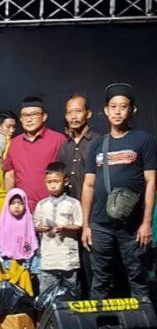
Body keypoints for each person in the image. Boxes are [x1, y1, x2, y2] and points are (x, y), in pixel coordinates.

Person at [81, 83, 156, 299]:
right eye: (113, 107)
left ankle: (142, 320)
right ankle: (100, 320)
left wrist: (146, 223)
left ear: (132, 110)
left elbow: (151, 182)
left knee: (137, 278)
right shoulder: (97, 145)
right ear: (106, 111)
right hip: (100, 224)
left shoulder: (143, 140)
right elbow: (88, 185)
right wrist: (86, 225)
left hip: (132, 225)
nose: (117, 111)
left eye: (123, 106)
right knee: (100, 279)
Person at [3, 97, 66, 213]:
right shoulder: (14, 143)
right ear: (20, 119)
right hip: (22, 211)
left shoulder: (58, 140)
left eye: (34, 114)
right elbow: (9, 176)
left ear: (44, 116)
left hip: (52, 209)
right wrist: (8, 206)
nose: (29, 119)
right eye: (25, 115)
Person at [34, 162, 83, 294]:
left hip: (67, 259)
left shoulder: (73, 203)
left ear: (65, 182)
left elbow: (79, 225)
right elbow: (36, 225)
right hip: (48, 259)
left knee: (70, 293)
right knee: (47, 293)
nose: (53, 185)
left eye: (56, 181)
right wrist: (42, 227)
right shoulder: (42, 204)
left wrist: (64, 228)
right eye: (49, 182)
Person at [0, 188, 39, 295]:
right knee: (6, 298)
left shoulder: (28, 224)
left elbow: (33, 247)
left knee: (23, 298)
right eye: (13, 203)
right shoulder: (2, 224)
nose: (16, 206)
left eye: (20, 203)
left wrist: (34, 269)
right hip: (5, 269)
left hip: (23, 269)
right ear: (7, 204)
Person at [57, 94, 102, 199]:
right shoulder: (64, 146)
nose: (73, 116)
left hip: (93, 204)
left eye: (78, 111)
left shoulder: (99, 142)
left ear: (88, 114)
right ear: (66, 116)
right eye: (69, 112)